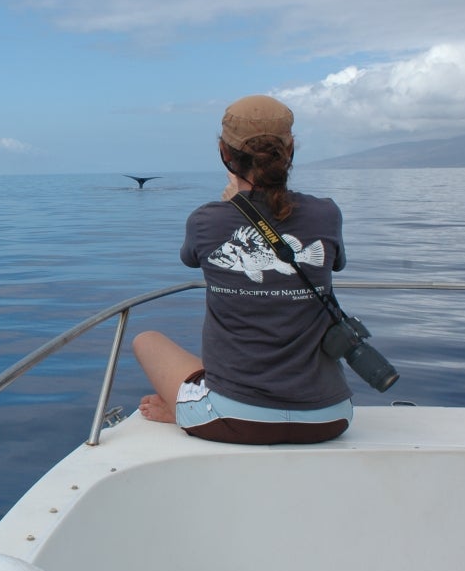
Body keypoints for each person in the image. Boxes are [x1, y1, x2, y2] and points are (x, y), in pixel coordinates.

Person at [134, 94, 353, 444]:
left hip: (233, 421)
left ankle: (183, 410)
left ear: (224, 153)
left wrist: (232, 206)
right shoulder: (326, 213)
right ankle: (190, 406)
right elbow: (335, 262)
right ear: (290, 149)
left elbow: (191, 257)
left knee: (146, 340)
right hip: (329, 418)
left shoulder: (206, 220)